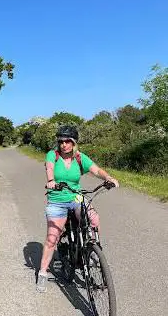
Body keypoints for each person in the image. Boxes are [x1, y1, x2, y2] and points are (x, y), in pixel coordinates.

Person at [36, 125, 119, 293]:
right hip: (57, 198)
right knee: (52, 238)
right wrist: (51, 180)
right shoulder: (53, 155)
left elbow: (95, 169)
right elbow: (49, 167)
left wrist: (108, 177)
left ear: (74, 143)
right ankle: (43, 272)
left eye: (68, 141)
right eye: (61, 141)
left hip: (75, 196)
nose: (64, 144)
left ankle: (91, 248)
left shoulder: (80, 157)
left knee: (93, 218)